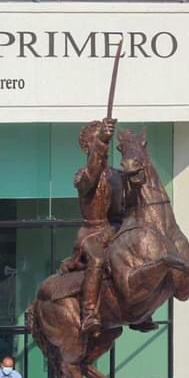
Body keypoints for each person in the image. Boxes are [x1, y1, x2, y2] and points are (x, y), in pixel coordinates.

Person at [60, 117, 118, 336]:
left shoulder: (116, 175)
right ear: (87, 147)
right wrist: (101, 141)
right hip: (92, 233)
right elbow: (92, 176)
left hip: (114, 229)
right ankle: (89, 313)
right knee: (97, 259)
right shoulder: (82, 176)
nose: (105, 147)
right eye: (96, 142)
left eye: (106, 142)